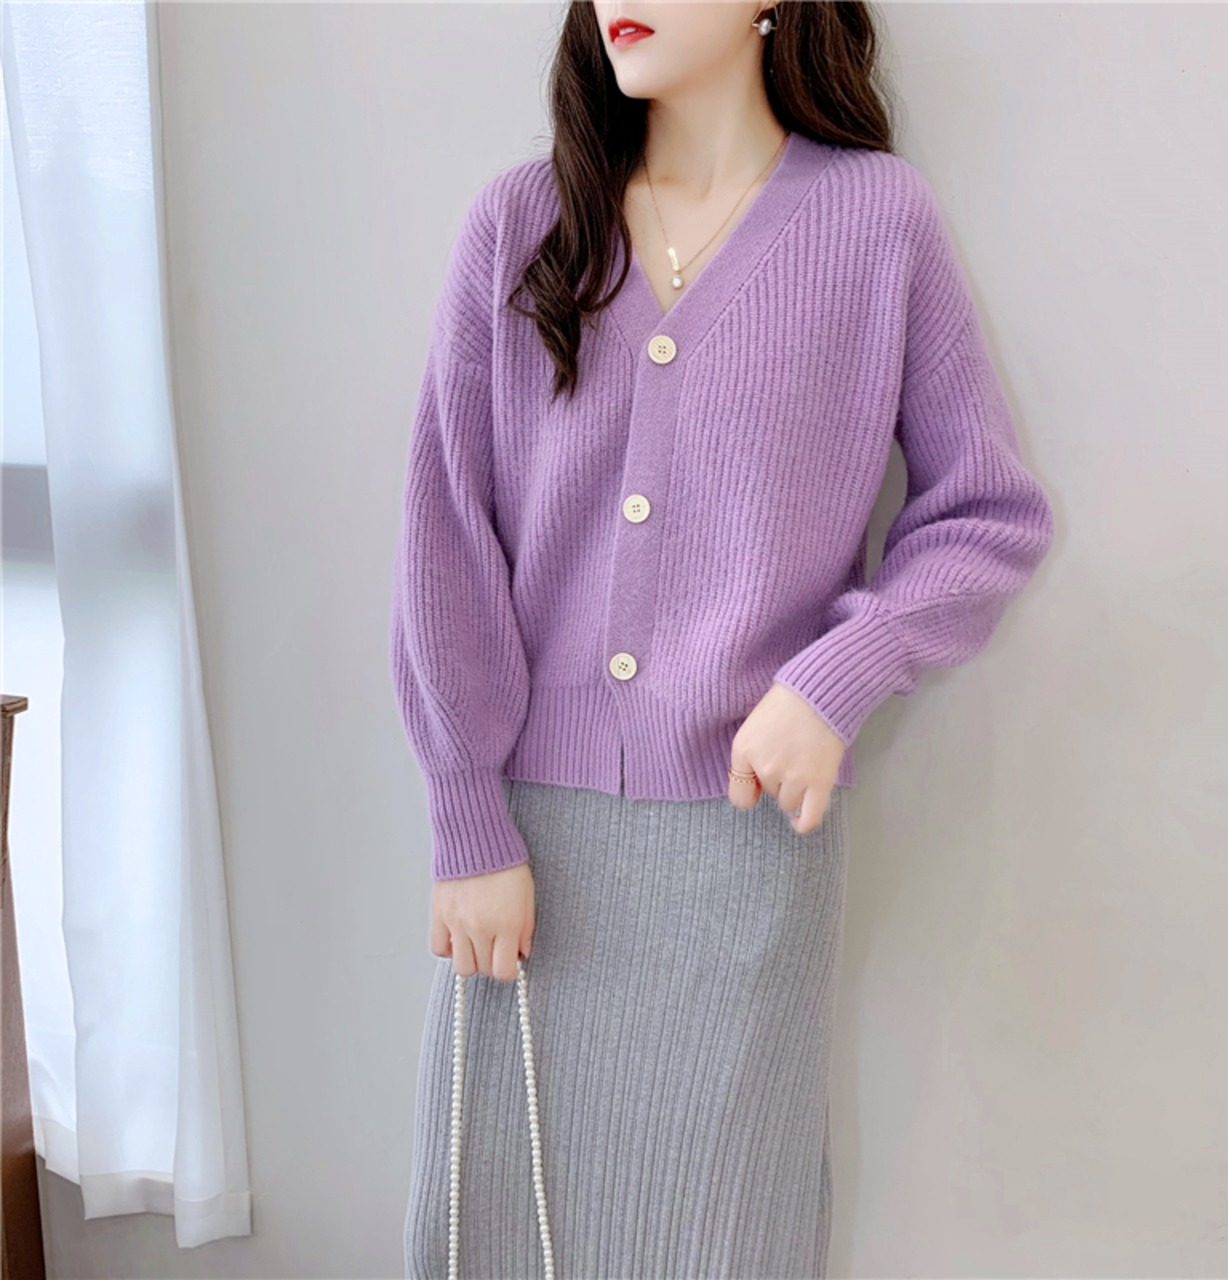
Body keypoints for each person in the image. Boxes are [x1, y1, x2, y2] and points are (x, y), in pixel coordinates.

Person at [390, 2, 1055, 1275]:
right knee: (495, 1229)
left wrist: (834, 676)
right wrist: (465, 811)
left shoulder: (874, 223)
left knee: (718, 1239)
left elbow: (985, 512)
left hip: (743, 862)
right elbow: (445, 530)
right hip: (523, 855)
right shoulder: (521, 224)